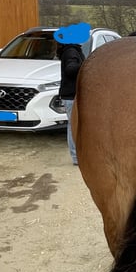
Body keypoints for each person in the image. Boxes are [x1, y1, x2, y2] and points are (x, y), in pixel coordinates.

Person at [54, 23, 90, 165]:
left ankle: (78, 154)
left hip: (71, 93)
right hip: (71, 94)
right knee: (73, 125)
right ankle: (76, 157)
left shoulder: (72, 49)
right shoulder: (71, 51)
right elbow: (70, 69)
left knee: (75, 124)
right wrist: (86, 66)